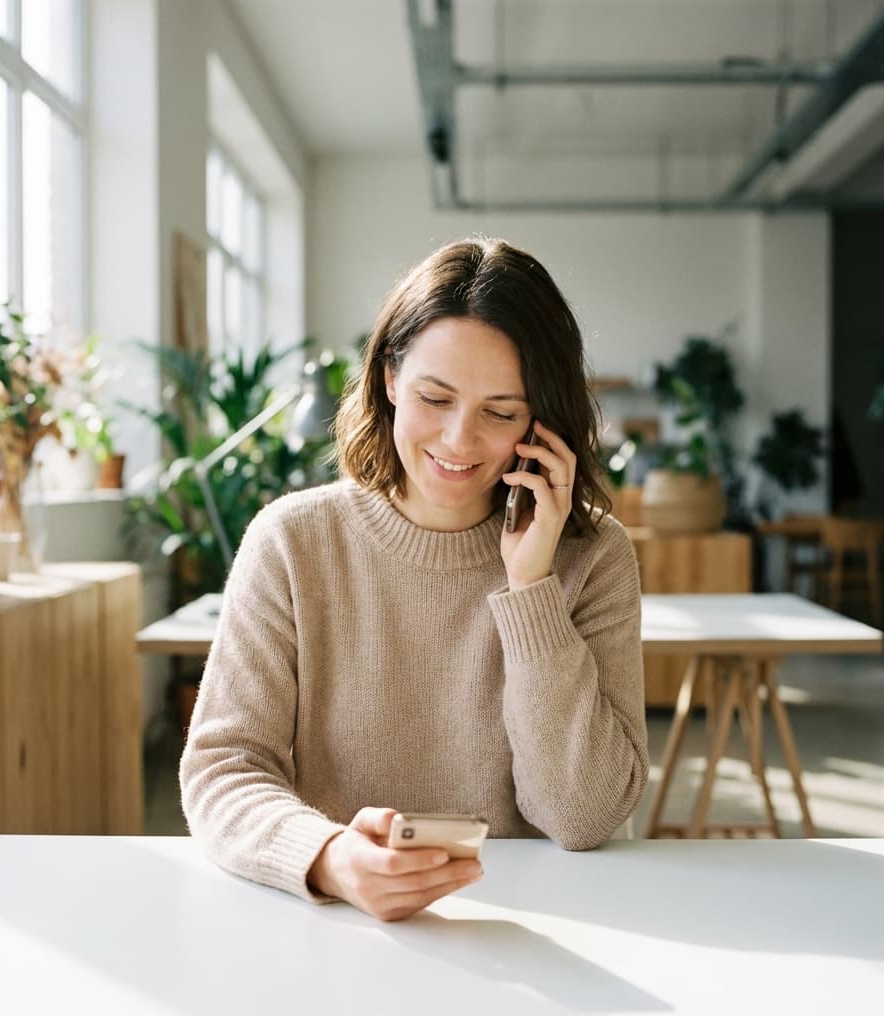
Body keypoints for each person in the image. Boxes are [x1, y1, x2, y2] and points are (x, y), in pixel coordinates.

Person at [180, 236, 648, 922]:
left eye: (501, 411)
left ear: (542, 420)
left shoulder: (594, 557)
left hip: (541, 930)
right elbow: (224, 769)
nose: (459, 441)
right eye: (435, 397)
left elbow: (584, 816)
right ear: (390, 379)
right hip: (337, 928)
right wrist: (329, 858)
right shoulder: (292, 542)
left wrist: (531, 589)